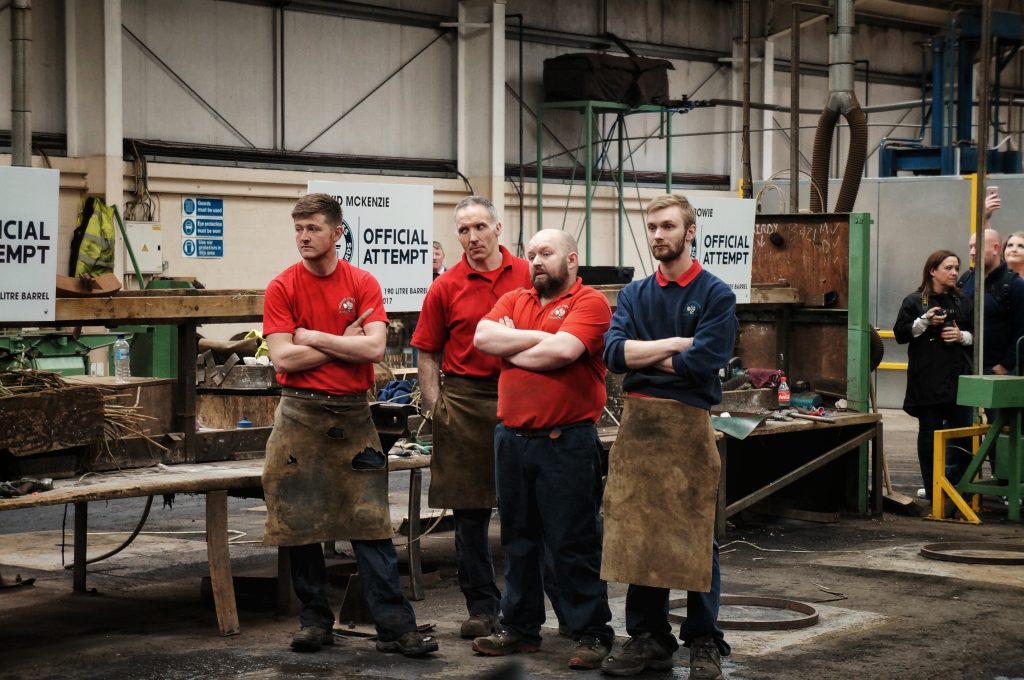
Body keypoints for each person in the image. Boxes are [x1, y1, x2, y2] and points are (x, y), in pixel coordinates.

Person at [261, 193, 437, 657]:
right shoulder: (282, 287)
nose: (303, 237)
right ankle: (315, 621)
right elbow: (282, 357)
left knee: (370, 523)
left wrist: (314, 338)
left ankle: (396, 628)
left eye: (314, 228)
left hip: (353, 414)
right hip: (298, 414)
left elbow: (374, 350)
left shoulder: (362, 282)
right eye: (298, 228)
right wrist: (343, 341)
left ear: (338, 233)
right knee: (301, 525)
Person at [600, 194, 736, 679]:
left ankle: (703, 640)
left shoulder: (716, 294)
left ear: (690, 231)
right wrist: (674, 346)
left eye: (668, 227)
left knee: (695, 536)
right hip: (639, 427)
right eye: (652, 227)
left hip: (689, 424)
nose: (658, 235)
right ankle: (648, 637)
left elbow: (704, 360)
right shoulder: (635, 294)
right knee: (639, 535)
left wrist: (648, 354)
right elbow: (613, 354)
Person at [471, 229, 615, 670]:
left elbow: (564, 352)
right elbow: (482, 338)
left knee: (572, 541)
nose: (535, 260)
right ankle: (519, 627)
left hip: (565, 441)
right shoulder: (515, 299)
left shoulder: (591, 303)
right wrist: (541, 340)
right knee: (517, 540)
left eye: (545, 253)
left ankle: (591, 631)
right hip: (512, 440)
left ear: (572, 260)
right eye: (531, 254)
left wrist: (514, 347)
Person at [411, 196, 532, 639]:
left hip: (521, 395)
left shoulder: (526, 274)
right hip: (462, 402)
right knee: (470, 515)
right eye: (463, 230)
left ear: (499, 229)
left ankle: (524, 607)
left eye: (480, 227)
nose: (472, 237)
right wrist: (435, 405)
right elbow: (427, 349)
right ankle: (482, 607)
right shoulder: (445, 286)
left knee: (524, 511)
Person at [893, 250, 974, 499]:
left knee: (963, 434)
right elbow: (900, 334)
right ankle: (932, 490)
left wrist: (961, 336)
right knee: (930, 435)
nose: (954, 273)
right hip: (927, 380)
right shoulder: (915, 301)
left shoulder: (962, 301)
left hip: (958, 378)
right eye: (948, 268)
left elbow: (976, 335)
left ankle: (961, 488)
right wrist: (924, 321)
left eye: (956, 268)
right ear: (932, 270)